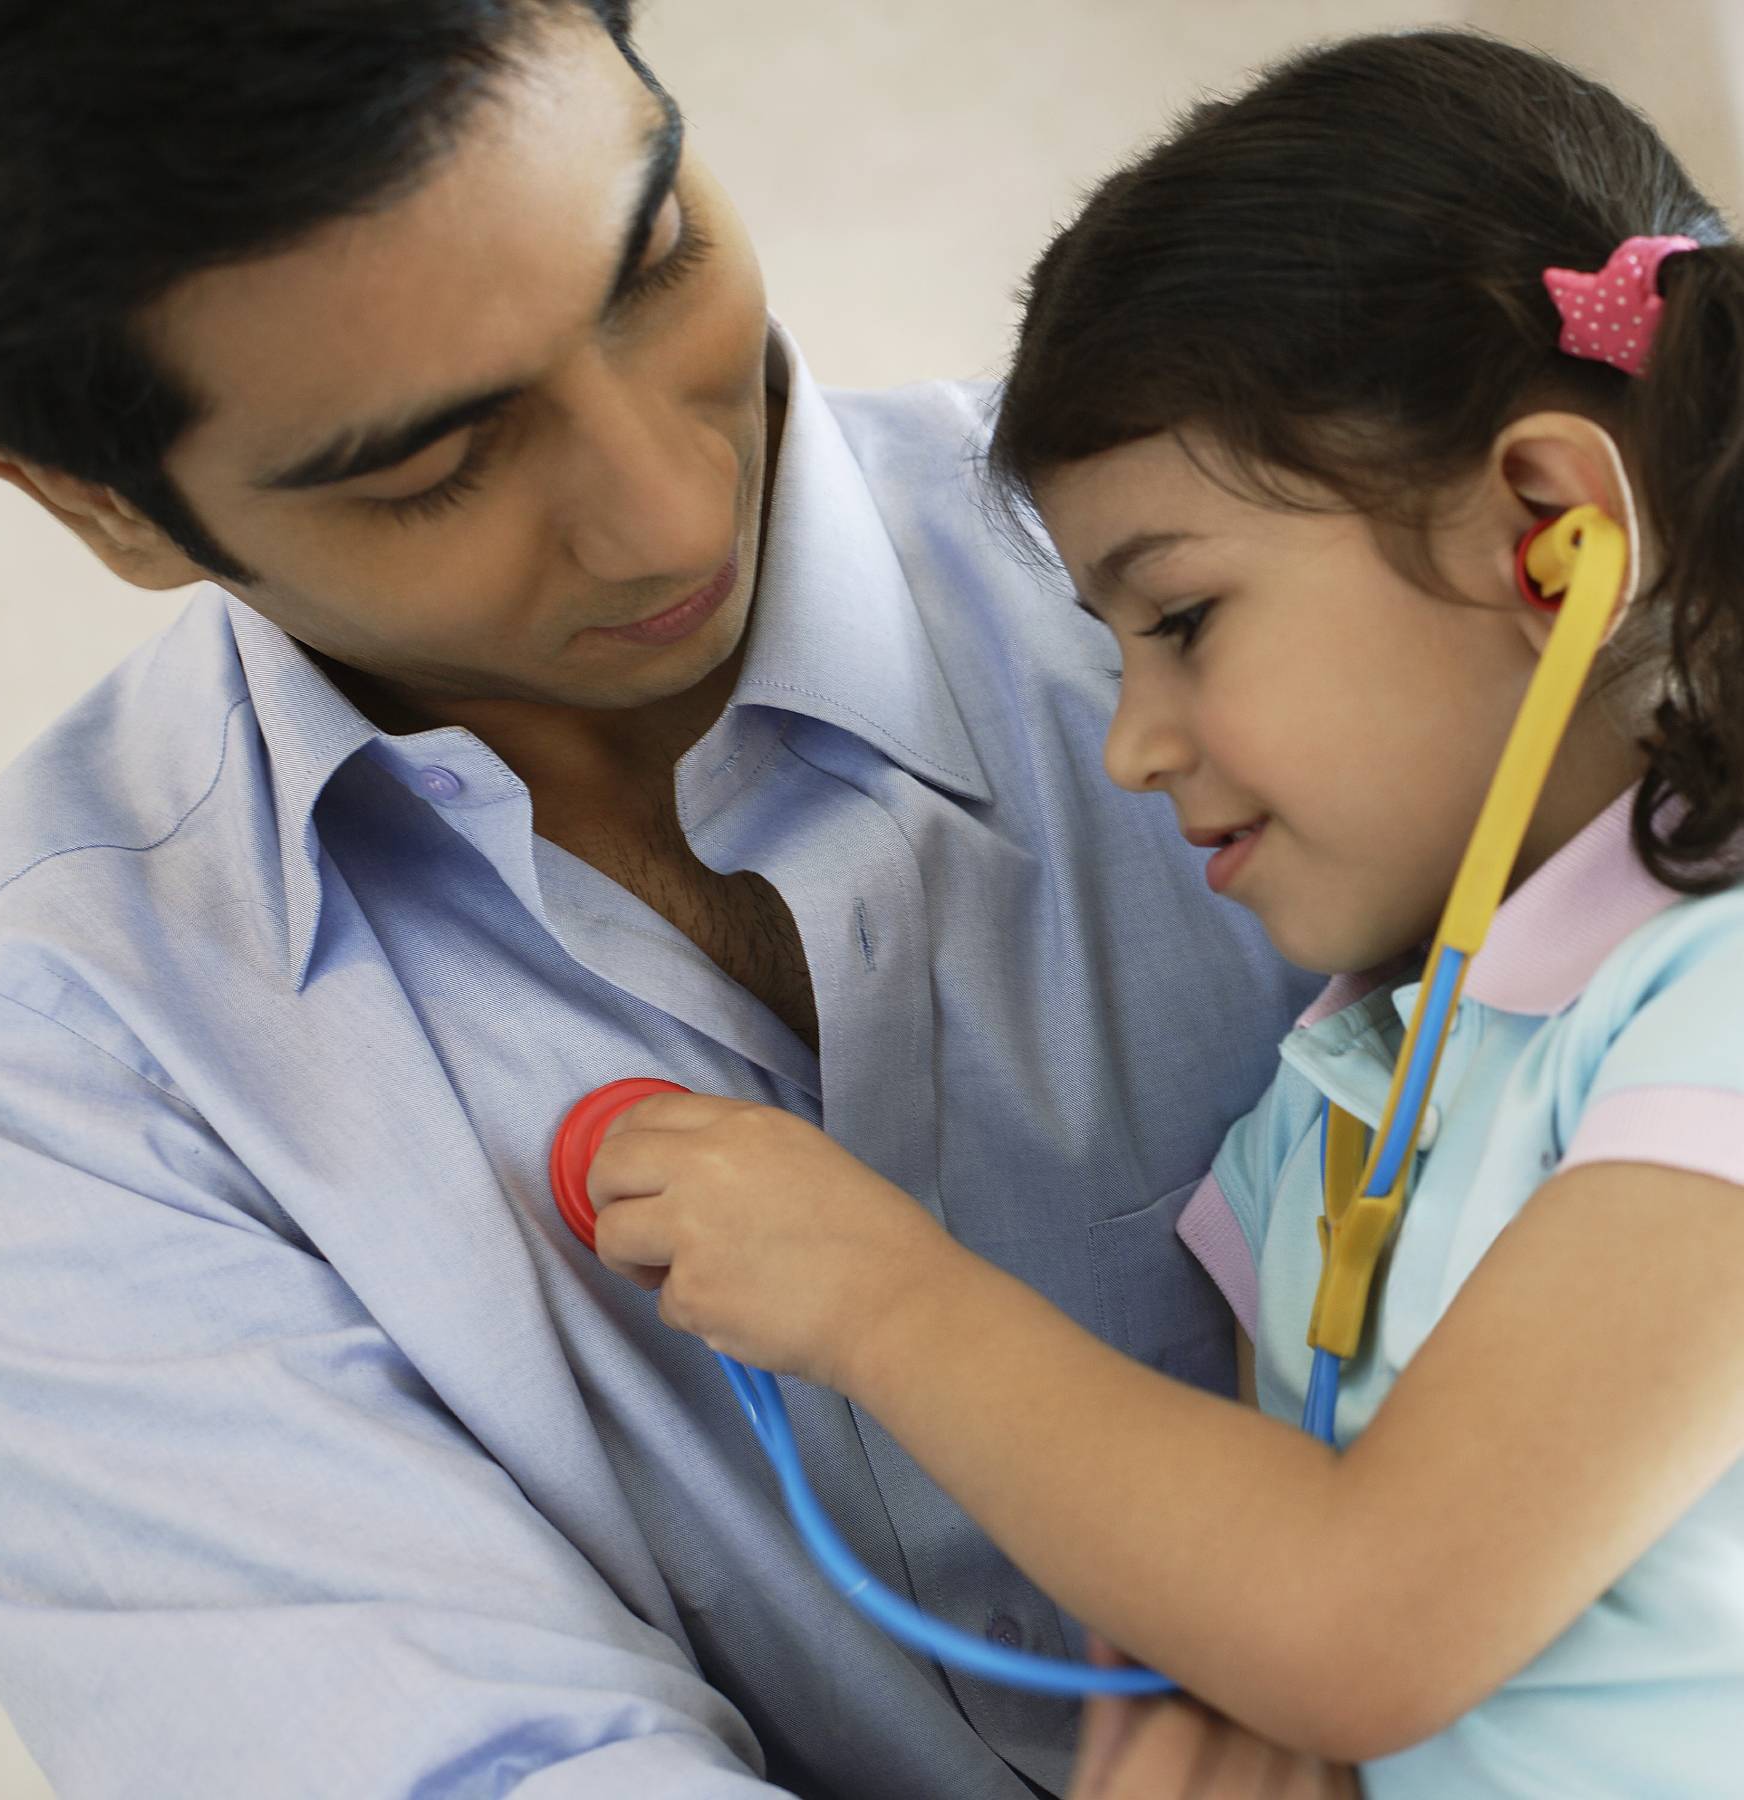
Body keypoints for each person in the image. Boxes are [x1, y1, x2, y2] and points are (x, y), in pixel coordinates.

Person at [0, 2, 1330, 1795]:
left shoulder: (1336, 574)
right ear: (94, 504)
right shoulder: (49, 1071)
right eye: (429, 467)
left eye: (655, 260)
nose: (676, 518)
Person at [583, 28, 1744, 1799]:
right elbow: (1302, 1637)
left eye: (1183, 617)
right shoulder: (1334, 1102)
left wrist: (883, 1299)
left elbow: (1366, 1620)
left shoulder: (1716, 1002)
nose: (1131, 743)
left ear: (1549, 530)